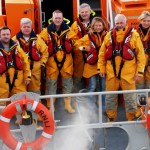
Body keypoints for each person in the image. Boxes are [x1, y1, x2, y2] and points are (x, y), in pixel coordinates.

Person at [97, 14, 146, 121]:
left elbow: (141, 56)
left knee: (130, 99)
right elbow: (101, 54)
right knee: (110, 98)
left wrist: (139, 73)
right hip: (111, 74)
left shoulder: (134, 35)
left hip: (128, 75)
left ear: (126, 23)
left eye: (121, 23)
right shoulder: (109, 35)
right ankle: (110, 117)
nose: (119, 25)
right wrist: (101, 68)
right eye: (117, 23)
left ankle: (131, 118)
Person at [39, 10, 75, 113]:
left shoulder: (69, 31)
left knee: (68, 84)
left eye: (59, 18)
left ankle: (68, 105)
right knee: (51, 84)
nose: (57, 20)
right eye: (56, 18)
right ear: (52, 19)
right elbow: (39, 43)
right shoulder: (46, 31)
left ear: (62, 19)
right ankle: (51, 106)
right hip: (51, 61)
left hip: (67, 61)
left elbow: (76, 42)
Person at [74, 17, 107, 114]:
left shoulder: (108, 36)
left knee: (103, 88)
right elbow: (76, 45)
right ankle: (90, 109)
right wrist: (85, 48)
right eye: (96, 25)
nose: (98, 27)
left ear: (103, 26)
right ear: (93, 26)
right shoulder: (88, 36)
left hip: (103, 66)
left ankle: (103, 108)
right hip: (91, 66)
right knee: (92, 87)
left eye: (100, 25)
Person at [13, 18, 48, 95]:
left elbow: (45, 52)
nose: (26, 29)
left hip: (35, 70)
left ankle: (36, 106)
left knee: (35, 92)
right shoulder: (14, 40)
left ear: (31, 27)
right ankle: (24, 107)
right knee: (21, 92)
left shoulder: (38, 39)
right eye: (24, 27)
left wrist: (42, 64)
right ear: (21, 27)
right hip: (21, 71)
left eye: (28, 27)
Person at [0, 26, 31, 103]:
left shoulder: (17, 47)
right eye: (3, 34)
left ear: (10, 35)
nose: (6, 36)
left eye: (7, 34)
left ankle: (20, 115)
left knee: (21, 104)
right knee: (1, 106)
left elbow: (25, 61)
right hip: (1, 84)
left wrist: (27, 76)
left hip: (18, 81)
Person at [69, 3, 94, 93]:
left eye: (86, 12)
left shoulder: (96, 23)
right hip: (79, 57)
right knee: (77, 80)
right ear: (79, 12)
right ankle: (75, 102)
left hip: (93, 56)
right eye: (82, 12)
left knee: (93, 82)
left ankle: (93, 102)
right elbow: (73, 42)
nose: (84, 14)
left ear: (90, 12)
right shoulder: (75, 25)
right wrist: (84, 47)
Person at [135, 11, 150, 117]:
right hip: (139, 63)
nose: (146, 23)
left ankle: (148, 109)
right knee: (139, 87)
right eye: (144, 20)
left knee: (149, 86)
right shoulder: (134, 32)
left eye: (148, 21)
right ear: (140, 21)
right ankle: (140, 109)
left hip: (149, 63)